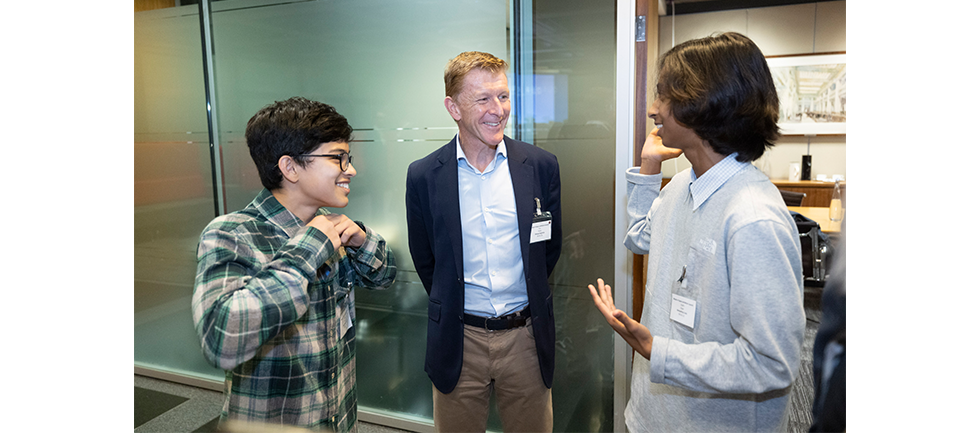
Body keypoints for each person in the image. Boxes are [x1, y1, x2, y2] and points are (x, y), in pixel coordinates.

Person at [587, 32, 805, 432]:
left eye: (662, 97)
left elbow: (772, 363)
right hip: (653, 417)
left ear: (700, 104)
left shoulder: (753, 218)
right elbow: (640, 237)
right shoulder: (684, 186)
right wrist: (648, 168)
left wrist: (658, 350)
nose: (653, 110)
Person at [192, 97, 397, 432]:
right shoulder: (231, 233)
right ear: (290, 168)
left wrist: (362, 240)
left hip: (338, 419)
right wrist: (309, 248)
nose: (351, 170)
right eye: (338, 158)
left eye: (349, 158)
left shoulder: (329, 228)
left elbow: (384, 276)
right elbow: (221, 338)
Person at [405, 51, 562, 433]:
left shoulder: (540, 166)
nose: (498, 110)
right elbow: (426, 260)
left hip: (525, 338)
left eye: (504, 96)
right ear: (453, 107)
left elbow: (548, 248)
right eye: (483, 99)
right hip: (459, 339)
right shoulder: (424, 175)